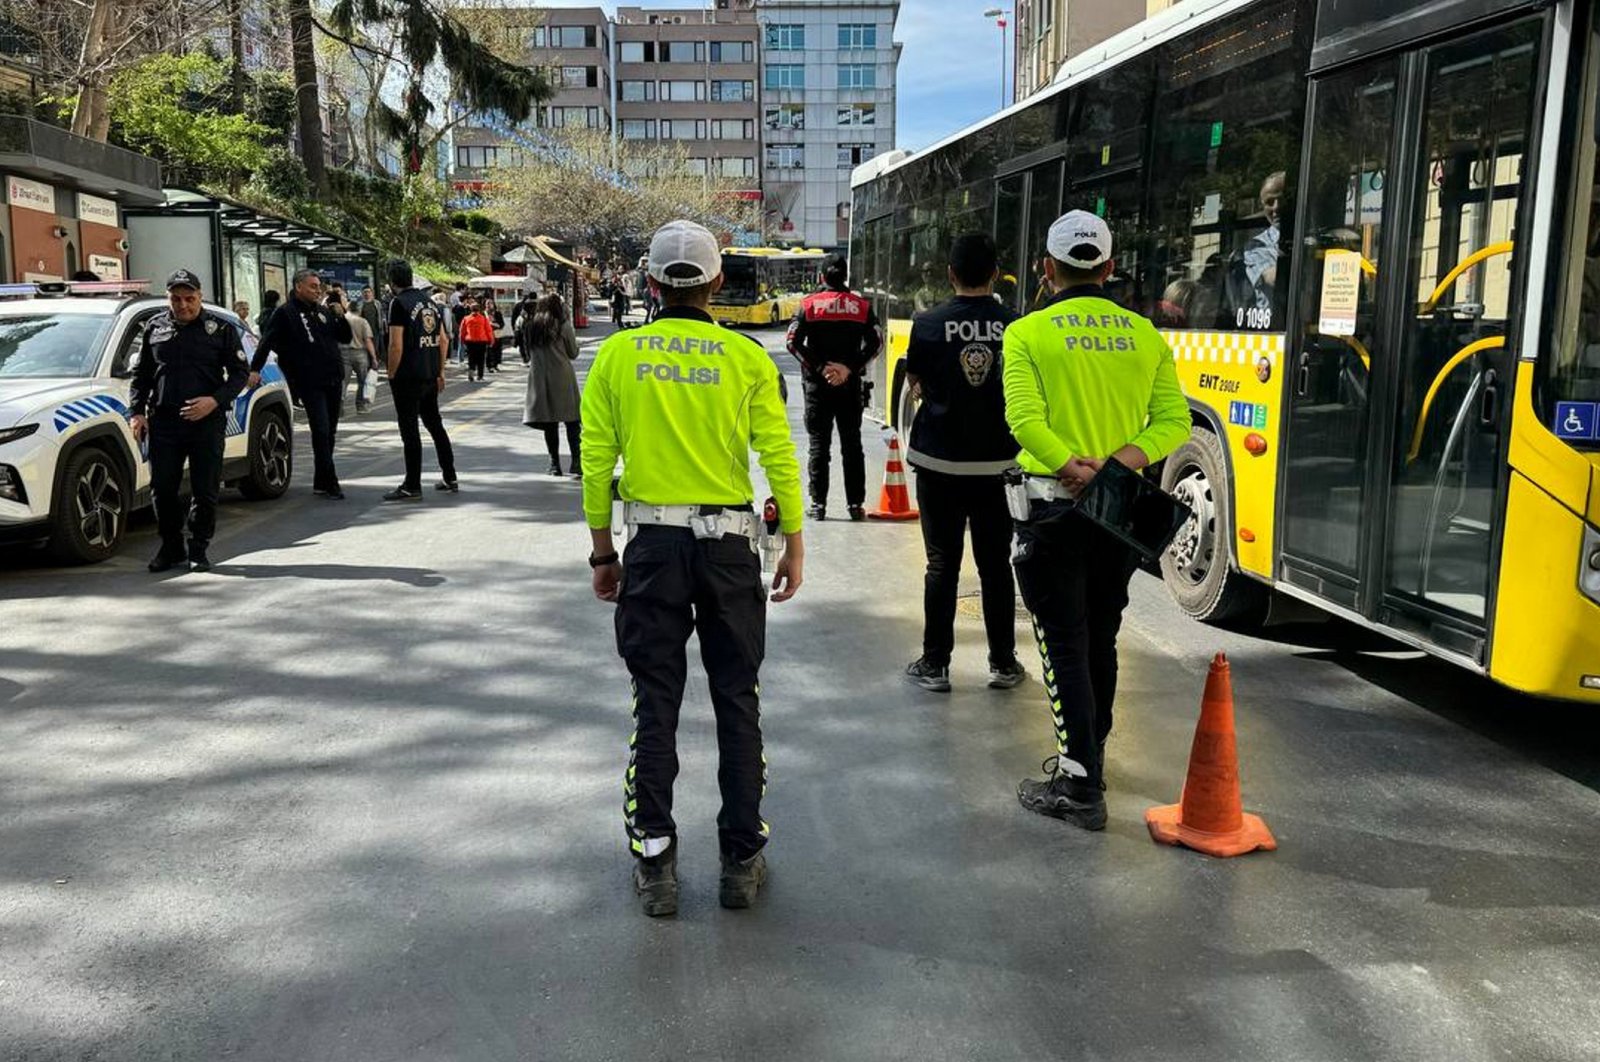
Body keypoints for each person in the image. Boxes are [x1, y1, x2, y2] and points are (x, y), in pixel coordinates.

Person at [581, 219, 805, 918]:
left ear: (649, 283)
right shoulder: (743, 359)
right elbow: (778, 454)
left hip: (651, 548)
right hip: (731, 549)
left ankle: (656, 859)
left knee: (657, 701)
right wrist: (793, 542)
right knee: (737, 698)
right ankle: (741, 859)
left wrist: (602, 551)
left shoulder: (619, 357)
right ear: (714, 283)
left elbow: (596, 462)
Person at [1002, 210, 1190, 830]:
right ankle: (1093, 753)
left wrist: (1070, 466)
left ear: (1047, 269)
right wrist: (1118, 465)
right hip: (1117, 511)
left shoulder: (1028, 334)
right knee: (1102, 634)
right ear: (1109, 268)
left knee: (1062, 642)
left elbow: (1024, 421)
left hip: (1053, 506)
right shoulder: (1146, 335)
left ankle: (1079, 784)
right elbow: (1174, 423)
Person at [901, 233, 1025, 693]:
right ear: (996, 273)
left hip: (939, 463)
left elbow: (915, 379)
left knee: (942, 565)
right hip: (998, 466)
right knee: (996, 566)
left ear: (950, 274)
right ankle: (1003, 663)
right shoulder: (1016, 327)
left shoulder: (928, 323)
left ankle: (935, 665)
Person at [127, 269, 250, 573]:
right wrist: (137, 412)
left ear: (200, 296)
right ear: (169, 298)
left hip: (206, 422)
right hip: (165, 422)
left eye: (189, 298)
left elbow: (239, 375)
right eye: (176, 299)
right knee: (162, 489)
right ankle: (171, 547)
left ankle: (198, 548)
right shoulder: (154, 327)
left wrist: (214, 401)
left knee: (205, 489)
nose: (183, 305)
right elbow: (141, 374)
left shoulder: (219, 329)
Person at [786, 253, 883, 521]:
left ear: (821, 277)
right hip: (849, 386)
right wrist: (848, 368)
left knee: (819, 445)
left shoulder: (808, 305)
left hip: (817, 387)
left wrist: (820, 368)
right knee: (852, 445)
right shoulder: (861, 306)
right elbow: (877, 343)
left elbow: (792, 343)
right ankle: (855, 505)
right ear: (845, 277)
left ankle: (818, 505)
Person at [251, 268, 353, 499]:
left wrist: (340, 314)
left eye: (319, 287)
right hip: (309, 381)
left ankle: (322, 479)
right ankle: (330, 480)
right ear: (298, 287)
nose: (318, 291)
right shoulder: (285, 313)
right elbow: (266, 342)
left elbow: (344, 337)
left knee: (330, 432)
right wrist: (255, 369)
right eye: (312, 286)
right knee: (321, 429)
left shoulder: (323, 312)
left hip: (333, 379)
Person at [382, 258, 458, 501]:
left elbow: (396, 344)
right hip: (429, 374)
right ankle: (450, 475)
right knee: (435, 424)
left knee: (410, 430)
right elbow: (444, 340)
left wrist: (391, 373)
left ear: (391, 281)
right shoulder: (430, 303)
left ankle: (412, 484)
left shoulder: (398, 304)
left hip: (407, 376)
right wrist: (440, 371)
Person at [522, 293, 583, 477]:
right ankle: (576, 462)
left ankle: (554, 464)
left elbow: (526, 353)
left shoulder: (531, 326)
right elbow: (573, 353)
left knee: (550, 423)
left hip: (540, 377)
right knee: (572, 422)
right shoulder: (564, 326)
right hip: (562, 377)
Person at [337, 290, 377, 413]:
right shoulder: (362, 321)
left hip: (343, 353)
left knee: (343, 381)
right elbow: (368, 340)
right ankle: (361, 406)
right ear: (359, 310)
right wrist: (374, 357)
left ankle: (339, 407)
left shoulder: (342, 319)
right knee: (362, 381)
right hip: (360, 353)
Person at [460, 298, 494, 381]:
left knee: (471, 358)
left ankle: (471, 372)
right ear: (479, 310)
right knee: (481, 359)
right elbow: (488, 330)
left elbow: (462, 331)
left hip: (470, 341)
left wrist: (462, 340)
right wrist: (491, 340)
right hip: (482, 341)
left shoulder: (466, 319)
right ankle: (480, 375)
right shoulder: (483, 319)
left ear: (470, 309)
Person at [487, 297, 510, 373]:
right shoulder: (484, 314)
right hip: (488, 335)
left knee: (497, 350)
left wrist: (494, 324)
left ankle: (495, 365)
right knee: (489, 351)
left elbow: (501, 324)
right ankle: (490, 365)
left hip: (497, 334)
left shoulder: (498, 313)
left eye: (490, 303)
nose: (489, 305)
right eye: (487, 304)